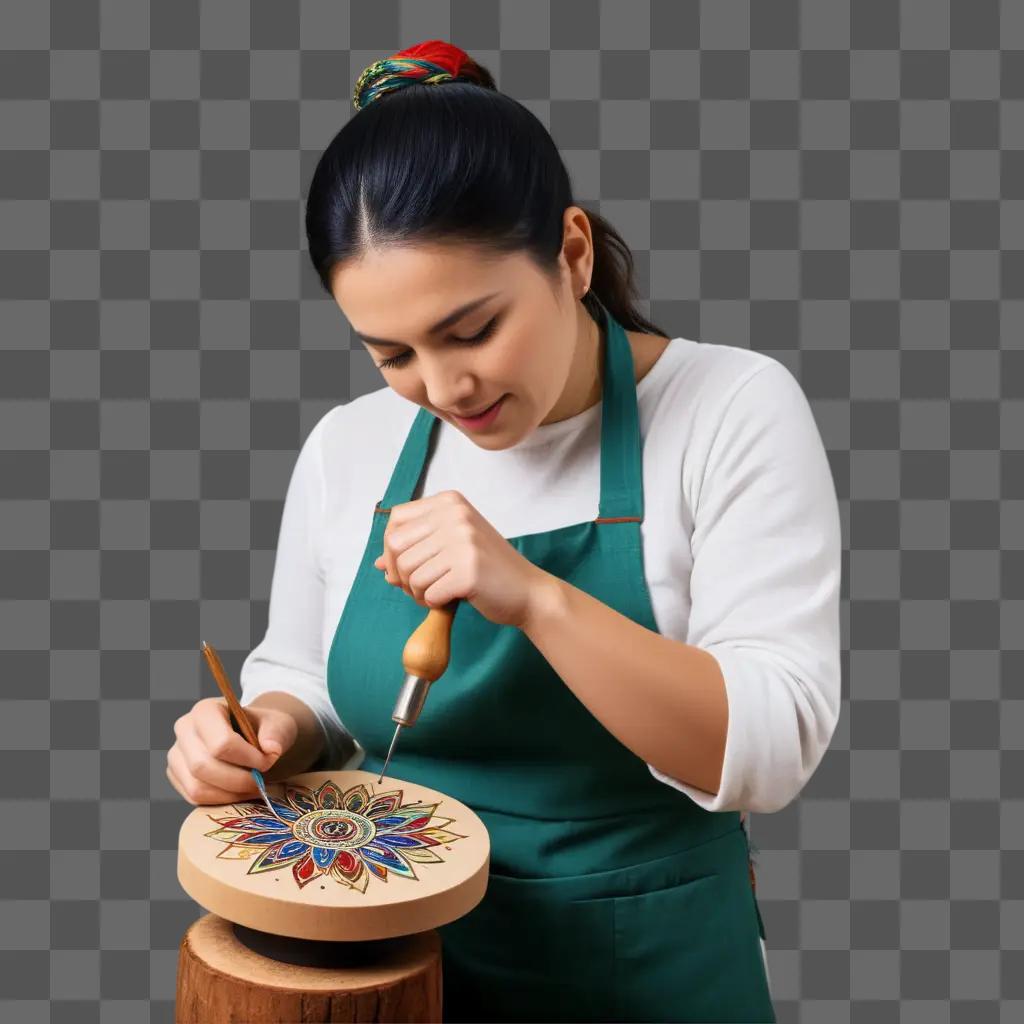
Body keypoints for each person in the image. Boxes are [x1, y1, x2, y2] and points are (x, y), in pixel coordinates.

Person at [166, 39, 842, 1023]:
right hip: (395, 966)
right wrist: (268, 731)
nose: (445, 390)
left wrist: (532, 596)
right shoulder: (350, 444)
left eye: (473, 330)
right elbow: (304, 674)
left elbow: (772, 747)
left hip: (640, 968)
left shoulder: (728, 407)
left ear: (570, 252)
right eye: (391, 352)